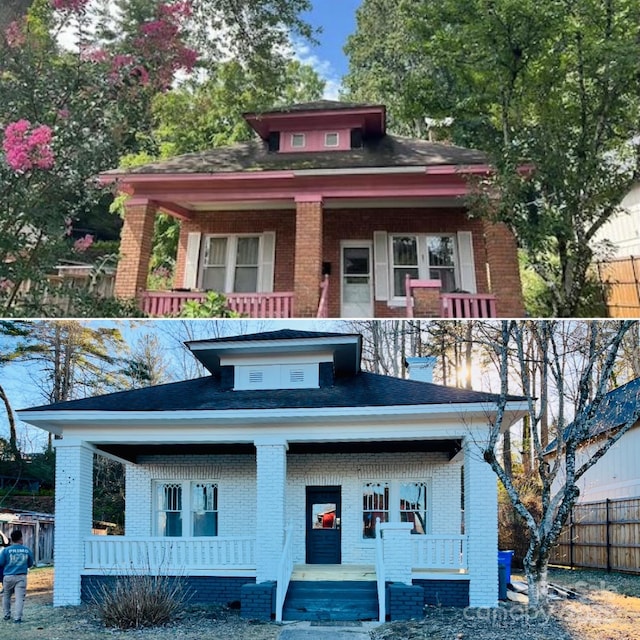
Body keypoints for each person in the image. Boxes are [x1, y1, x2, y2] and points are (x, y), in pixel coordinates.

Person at [0, 530, 34, 623]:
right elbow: (30, 563)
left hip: (8, 576)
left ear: (12, 539)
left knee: (6, 596)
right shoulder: (26, 550)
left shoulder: (6, 550)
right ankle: (17, 618)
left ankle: (6, 615)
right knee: (19, 598)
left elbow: (1, 563)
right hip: (21, 577)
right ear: (20, 538)